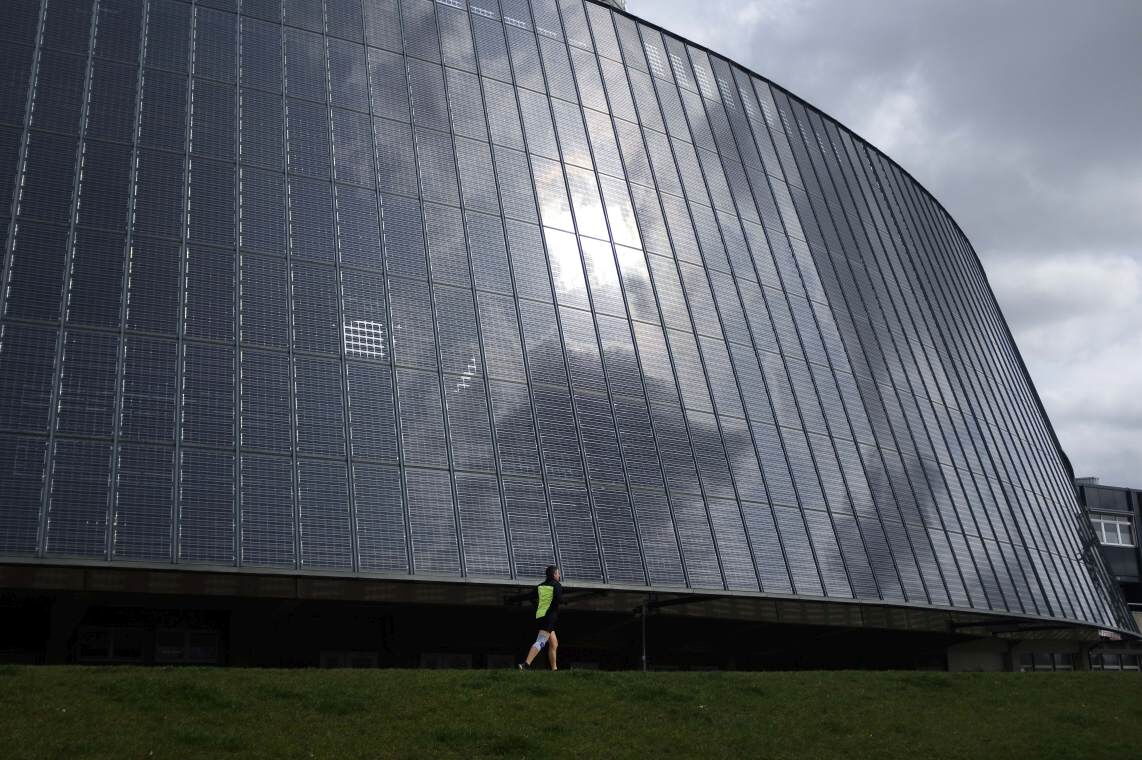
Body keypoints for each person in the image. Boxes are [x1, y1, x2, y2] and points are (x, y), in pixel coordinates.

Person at [518, 565, 562, 670]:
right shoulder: (556, 585)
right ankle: (525, 664)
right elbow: (558, 599)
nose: (559, 575)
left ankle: (554, 669)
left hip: (541, 615)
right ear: (554, 574)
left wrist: (537, 606)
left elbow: (530, 597)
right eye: (558, 573)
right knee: (541, 641)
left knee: (554, 643)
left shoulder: (540, 586)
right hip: (549, 617)